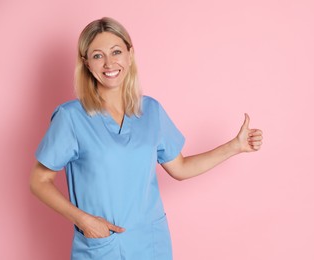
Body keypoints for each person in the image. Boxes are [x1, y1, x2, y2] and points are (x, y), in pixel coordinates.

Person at [30, 17, 263, 260]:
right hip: (101, 246)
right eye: (98, 56)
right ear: (86, 63)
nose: (109, 63)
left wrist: (234, 147)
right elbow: (39, 180)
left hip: (151, 245)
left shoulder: (151, 111)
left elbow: (180, 168)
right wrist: (83, 220)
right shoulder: (71, 118)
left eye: (116, 52)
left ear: (130, 55)